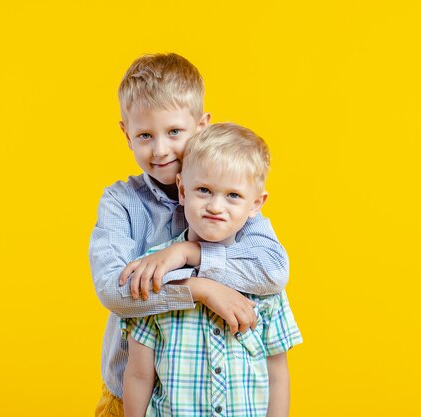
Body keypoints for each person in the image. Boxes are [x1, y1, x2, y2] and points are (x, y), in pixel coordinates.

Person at [90, 53, 290, 417]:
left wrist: (189, 254)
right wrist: (199, 289)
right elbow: (111, 289)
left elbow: (273, 270)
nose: (161, 149)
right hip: (130, 387)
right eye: (145, 135)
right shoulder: (120, 202)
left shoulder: (226, 195)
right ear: (126, 134)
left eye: (174, 132)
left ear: (201, 125)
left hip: (217, 397)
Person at [122, 123, 302, 417]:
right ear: (182, 190)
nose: (216, 206)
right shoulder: (156, 265)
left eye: (233, 195)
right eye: (204, 190)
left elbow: (277, 373)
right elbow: (139, 373)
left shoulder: (262, 273)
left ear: (256, 204)